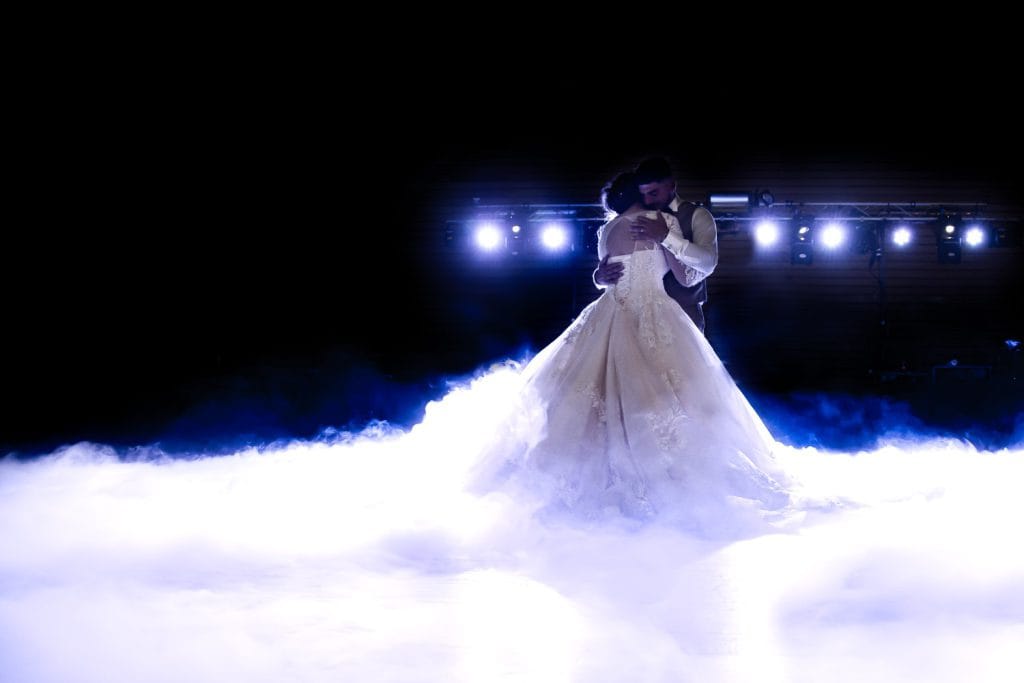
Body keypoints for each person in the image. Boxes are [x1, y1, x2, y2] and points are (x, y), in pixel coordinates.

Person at [469, 170, 789, 535]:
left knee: (588, 394)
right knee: (669, 396)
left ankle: (587, 471)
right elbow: (686, 277)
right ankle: (665, 475)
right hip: (655, 310)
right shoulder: (662, 221)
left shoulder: (607, 229)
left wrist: (601, 277)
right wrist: (666, 243)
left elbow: (606, 273)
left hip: (609, 310)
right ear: (638, 194)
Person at [594, 157, 717, 333]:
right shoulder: (624, 221)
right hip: (634, 318)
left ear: (672, 186)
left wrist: (666, 236)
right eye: (642, 194)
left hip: (684, 314)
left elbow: (709, 262)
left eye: (653, 193)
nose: (648, 201)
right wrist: (599, 278)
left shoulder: (698, 215)